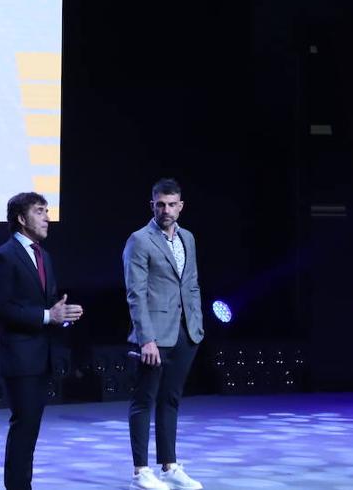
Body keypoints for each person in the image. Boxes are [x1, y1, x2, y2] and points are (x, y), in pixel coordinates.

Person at [0, 191, 83, 490]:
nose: (47, 218)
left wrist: (63, 314)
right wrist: (46, 316)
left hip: (42, 355)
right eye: (40, 211)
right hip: (20, 356)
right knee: (24, 426)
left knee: (32, 427)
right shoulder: (4, 256)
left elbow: (49, 302)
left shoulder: (44, 256)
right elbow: (0, 307)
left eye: (47, 211)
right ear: (21, 218)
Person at [122, 178, 205, 490]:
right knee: (144, 400)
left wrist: (196, 324)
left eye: (172, 204)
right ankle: (141, 470)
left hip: (185, 332)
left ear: (181, 206)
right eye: (160, 204)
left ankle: (169, 465)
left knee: (171, 400)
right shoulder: (140, 240)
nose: (166, 210)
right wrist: (146, 338)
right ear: (152, 205)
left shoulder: (188, 238)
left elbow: (192, 282)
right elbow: (135, 293)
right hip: (154, 336)